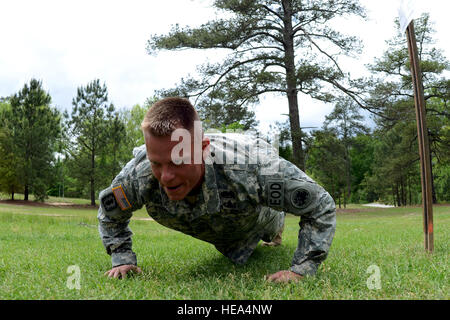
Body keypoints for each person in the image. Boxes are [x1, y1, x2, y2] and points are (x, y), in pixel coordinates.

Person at [98, 97, 336, 283]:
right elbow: (110, 212)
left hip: (260, 216)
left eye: (178, 161)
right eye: (156, 163)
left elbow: (320, 204)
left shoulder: (252, 168)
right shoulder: (138, 174)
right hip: (220, 229)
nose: (166, 177)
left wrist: (302, 269)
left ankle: (275, 230)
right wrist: (122, 259)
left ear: (202, 149)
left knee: (270, 228)